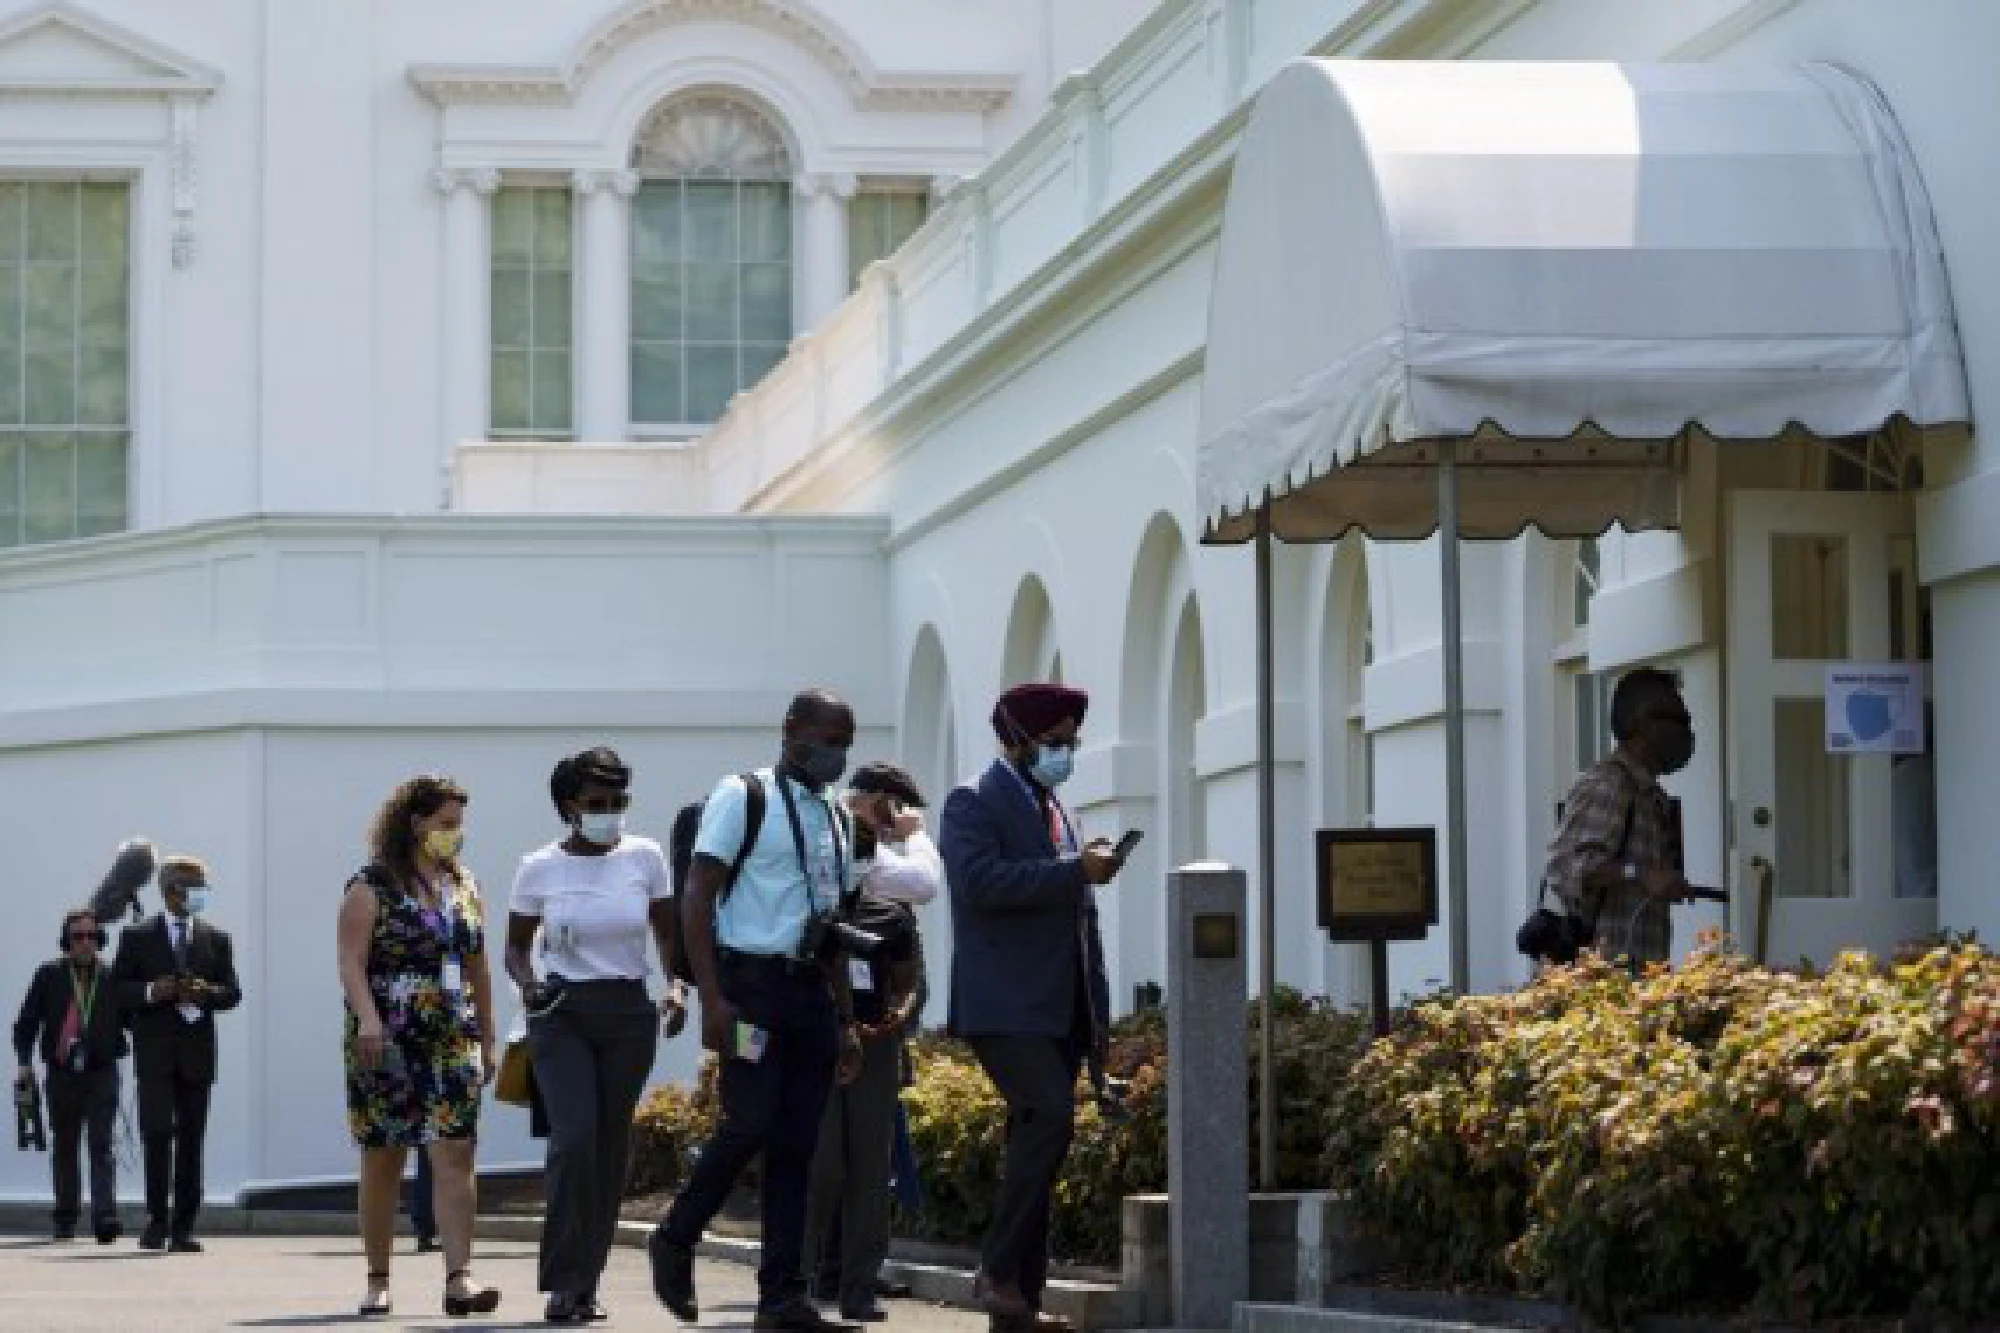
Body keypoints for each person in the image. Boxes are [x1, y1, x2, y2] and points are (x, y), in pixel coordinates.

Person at [650, 689, 867, 1332]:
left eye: (845, 744)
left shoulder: (838, 817)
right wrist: (712, 996)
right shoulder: (744, 797)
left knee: (798, 1144)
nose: (837, 754)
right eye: (828, 739)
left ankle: (781, 1299)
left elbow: (835, 924)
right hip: (748, 985)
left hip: (809, 993)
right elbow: (696, 897)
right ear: (791, 731)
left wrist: (848, 1020)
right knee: (749, 1122)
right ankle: (676, 1236)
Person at [941, 683, 1122, 1332]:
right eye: (1055, 742)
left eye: (1072, 741)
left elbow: (1080, 923)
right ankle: (994, 1271)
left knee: (1037, 1145)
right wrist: (1076, 870)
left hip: (1060, 1008)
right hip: (1005, 1004)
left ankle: (1019, 1304)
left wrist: (1099, 1020)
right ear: (1016, 738)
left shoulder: (1059, 809)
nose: (1065, 752)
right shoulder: (972, 800)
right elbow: (979, 882)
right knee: (1048, 1117)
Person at [504, 746, 687, 1324]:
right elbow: (513, 948)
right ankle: (561, 1282)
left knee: (609, 1150)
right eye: (597, 803)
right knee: (574, 1138)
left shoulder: (645, 856)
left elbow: (666, 931)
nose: (611, 812)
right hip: (561, 1012)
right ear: (569, 807)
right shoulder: (538, 866)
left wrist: (677, 986)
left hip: (629, 1014)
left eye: (619, 801)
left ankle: (588, 1280)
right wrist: (528, 983)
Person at [337, 775, 501, 1319]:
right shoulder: (371, 885)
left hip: (453, 1032)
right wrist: (367, 1020)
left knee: (456, 1148)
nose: (455, 835)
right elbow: (351, 962)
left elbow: (478, 965)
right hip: (385, 1035)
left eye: (460, 825)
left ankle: (460, 1278)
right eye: (446, 825)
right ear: (414, 823)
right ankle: (377, 1278)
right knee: (384, 1154)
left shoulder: (465, 885)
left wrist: (489, 1034)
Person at [801, 762, 938, 1322]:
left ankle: (860, 1285)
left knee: (869, 1169)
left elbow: (910, 984)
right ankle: (806, 1276)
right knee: (825, 1165)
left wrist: (895, 1018)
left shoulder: (890, 915)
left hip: (876, 1047)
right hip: (822, 1046)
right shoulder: (813, 915)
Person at [111, 854, 241, 1254]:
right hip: (155, 1053)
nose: (201, 895)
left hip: (197, 1054)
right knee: (155, 1135)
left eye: (204, 887)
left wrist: (207, 993)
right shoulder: (137, 936)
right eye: (194, 887)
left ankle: (183, 1227)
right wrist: (153, 991)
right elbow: (118, 990)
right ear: (171, 891)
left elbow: (232, 992)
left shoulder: (217, 938)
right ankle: (156, 1221)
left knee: (191, 1140)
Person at [1542, 667, 1695, 967]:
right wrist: (1640, 874)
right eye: (1677, 719)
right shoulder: (1609, 786)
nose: (1685, 731)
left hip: (1639, 974)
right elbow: (1569, 869)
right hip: (1602, 980)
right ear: (1642, 723)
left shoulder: (1649, 795)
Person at [13, 907, 128, 1244]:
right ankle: (65, 1217)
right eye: (78, 936)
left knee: (102, 1144)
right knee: (64, 1146)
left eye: (92, 936)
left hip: (101, 1072)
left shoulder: (112, 976)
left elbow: (133, 1019)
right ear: (66, 940)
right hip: (62, 1073)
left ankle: (105, 1217)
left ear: (100, 940)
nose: (85, 942)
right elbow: (26, 1024)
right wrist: (24, 1061)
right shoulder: (48, 974)